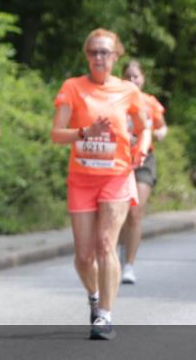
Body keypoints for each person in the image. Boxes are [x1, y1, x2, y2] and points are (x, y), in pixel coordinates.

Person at [51, 28, 150, 340]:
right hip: (81, 179)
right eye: (93, 52)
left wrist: (142, 148)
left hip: (116, 176)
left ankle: (105, 315)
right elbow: (56, 133)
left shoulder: (128, 91)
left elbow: (144, 127)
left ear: (115, 56)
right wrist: (85, 132)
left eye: (104, 52)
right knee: (83, 256)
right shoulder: (72, 87)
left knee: (106, 244)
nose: (98, 57)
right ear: (86, 56)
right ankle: (94, 297)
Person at [117, 60, 167, 285]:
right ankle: (116, 253)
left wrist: (160, 133)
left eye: (135, 76)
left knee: (135, 212)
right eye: (128, 76)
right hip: (119, 160)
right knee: (119, 212)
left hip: (144, 160)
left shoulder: (150, 103)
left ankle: (129, 265)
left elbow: (162, 125)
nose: (132, 81)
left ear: (143, 79)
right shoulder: (116, 99)